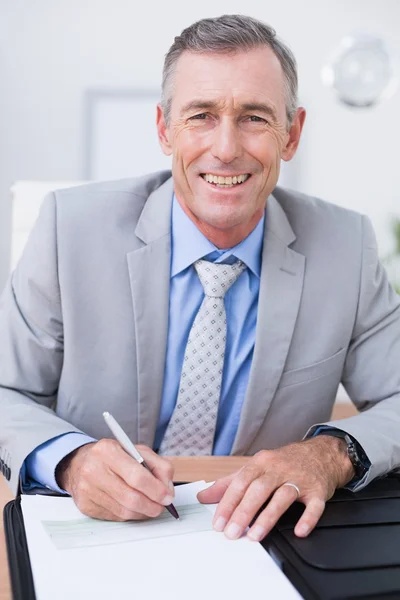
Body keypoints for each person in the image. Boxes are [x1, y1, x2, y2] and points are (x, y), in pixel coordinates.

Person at [1, 14, 399, 544]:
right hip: (90, 531)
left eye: (255, 117)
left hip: (260, 536)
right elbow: (6, 388)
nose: (227, 148)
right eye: (202, 116)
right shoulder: (66, 229)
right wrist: (70, 461)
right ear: (165, 129)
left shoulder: (346, 246)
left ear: (293, 133)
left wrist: (330, 453)